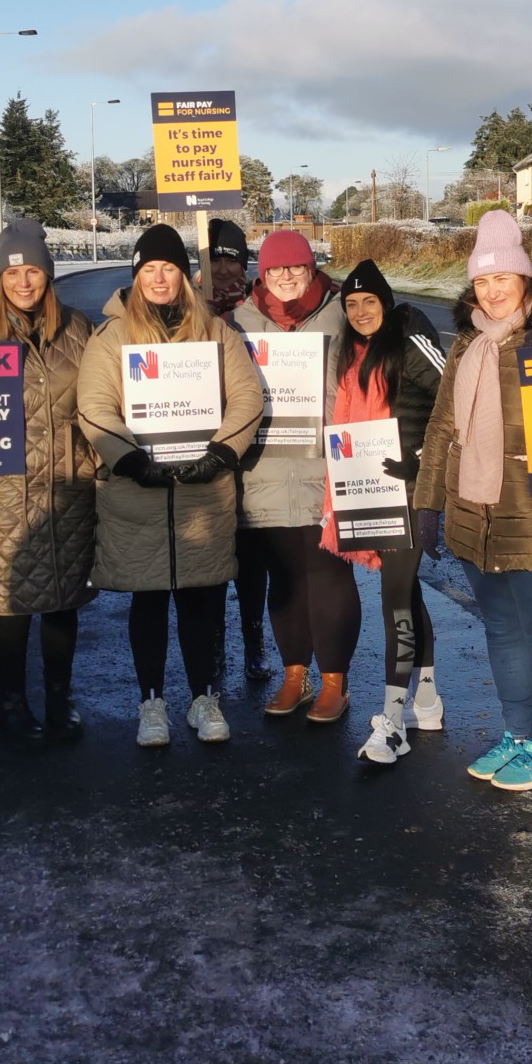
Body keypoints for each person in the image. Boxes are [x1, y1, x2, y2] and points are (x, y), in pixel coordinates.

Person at [412, 212, 532, 793]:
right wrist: (427, 505)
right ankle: (516, 733)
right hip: (471, 515)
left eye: (503, 278)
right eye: (482, 281)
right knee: (501, 629)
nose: (492, 290)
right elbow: (441, 430)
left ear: (527, 281)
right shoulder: (464, 346)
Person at [77, 223, 262, 747]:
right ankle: (152, 701)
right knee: (149, 603)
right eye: (150, 269)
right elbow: (94, 405)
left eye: (170, 268)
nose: (160, 278)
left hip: (203, 490)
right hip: (137, 495)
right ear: (137, 276)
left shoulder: (214, 332)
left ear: (184, 275)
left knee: (203, 600)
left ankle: (204, 697)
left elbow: (246, 396)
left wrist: (222, 452)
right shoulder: (112, 336)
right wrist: (130, 461)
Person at [0, 220, 97, 747]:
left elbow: (100, 404)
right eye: (13, 272)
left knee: (63, 600)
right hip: (0, 489)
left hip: (67, 484)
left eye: (33, 270)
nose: (24, 282)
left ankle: (61, 696)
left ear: (48, 273)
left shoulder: (78, 329)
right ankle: (10, 702)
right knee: (8, 604)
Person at [319, 260, 448, 764]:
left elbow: (451, 398)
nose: (360, 312)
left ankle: (392, 721)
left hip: (410, 488)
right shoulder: (352, 351)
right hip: (373, 486)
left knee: (394, 595)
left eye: (369, 301)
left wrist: (419, 456)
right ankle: (428, 699)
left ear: (386, 303)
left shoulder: (408, 336)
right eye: (351, 305)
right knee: (405, 591)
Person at [234, 230, 360, 723]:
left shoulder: (341, 315)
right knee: (283, 580)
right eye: (275, 268)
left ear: (312, 268)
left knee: (328, 574)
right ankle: (294, 674)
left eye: (296, 266)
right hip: (263, 469)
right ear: (261, 274)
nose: (286, 276)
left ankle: (334, 681)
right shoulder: (239, 321)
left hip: (326, 466)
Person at [202, 218, 270, 681]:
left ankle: (253, 641)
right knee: (206, 555)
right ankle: (212, 646)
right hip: (202, 446)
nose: (225, 270)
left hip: (254, 451)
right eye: (216, 260)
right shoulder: (191, 307)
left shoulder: (255, 307)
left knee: (251, 559)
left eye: (233, 260)